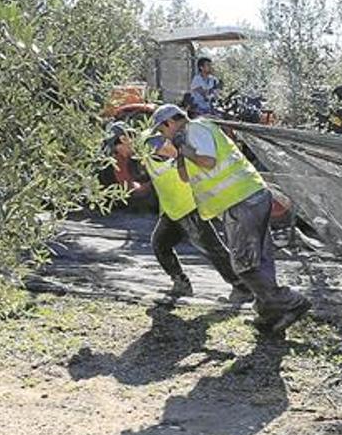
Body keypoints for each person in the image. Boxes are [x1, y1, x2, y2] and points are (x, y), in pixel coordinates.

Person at [148, 104, 311, 336]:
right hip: (247, 198)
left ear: (169, 123)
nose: (164, 137)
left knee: (243, 265)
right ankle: (269, 314)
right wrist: (180, 152)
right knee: (259, 262)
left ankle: (290, 302)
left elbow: (208, 161)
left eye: (163, 131)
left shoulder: (196, 128)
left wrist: (184, 150)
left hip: (242, 199)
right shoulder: (186, 140)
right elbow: (185, 177)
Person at [135, 124, 253, 304]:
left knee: (213, 249)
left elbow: (171, 151)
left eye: (116, 146)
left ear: (124, 140)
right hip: (172, 210)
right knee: (160, 244)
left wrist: (177, 153)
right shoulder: (144, 147)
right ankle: (181, 284)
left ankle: (243, 288)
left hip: (189, 206)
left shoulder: (148, 140)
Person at [101, 122, 157, 211]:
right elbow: (131, 191)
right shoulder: (116, 161)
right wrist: (153, 183)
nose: (134, 142)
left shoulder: (127, 158)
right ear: (123, 139)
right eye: (131, 137)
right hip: (121, 211)